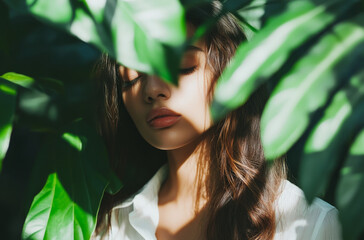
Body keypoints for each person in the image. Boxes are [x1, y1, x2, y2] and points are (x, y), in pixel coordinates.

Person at [91, 2, 342, 240]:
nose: (152, 89)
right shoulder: (109, 226)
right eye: (131, 77)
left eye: (182, 66)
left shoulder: (310, 224)